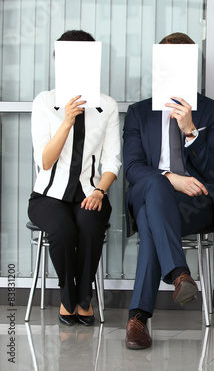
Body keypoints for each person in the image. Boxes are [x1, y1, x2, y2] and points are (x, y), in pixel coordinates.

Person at [122, 32, 214, 349]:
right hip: (149, 190)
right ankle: (179, 272)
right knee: (155, 184)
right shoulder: (139, 112)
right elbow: (132, 168)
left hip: (194, 204)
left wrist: (191, 132)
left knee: (151, 218)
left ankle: (138, 319)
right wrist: (171, 178)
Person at [28, 30, 121, 327]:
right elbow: (44, 160)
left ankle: (84, 296)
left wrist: (99, 192)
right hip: (48, 195)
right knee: (63, 231)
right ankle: (70, 296)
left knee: (90, 226)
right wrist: (67, 121)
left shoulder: (107, 106)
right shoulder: (44, 102)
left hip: (91, 193)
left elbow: (112, 160)